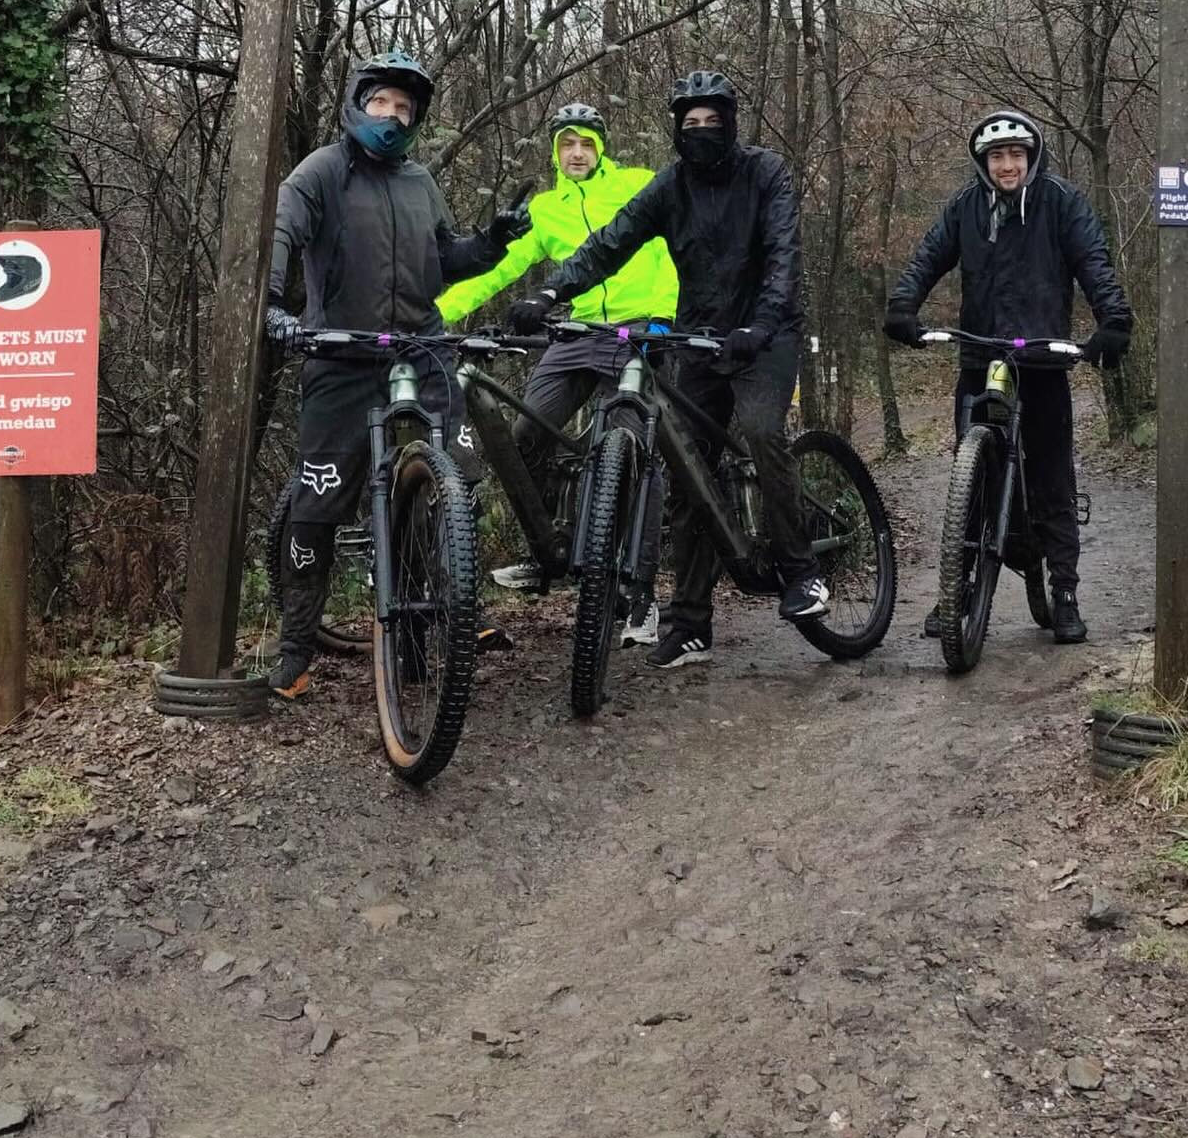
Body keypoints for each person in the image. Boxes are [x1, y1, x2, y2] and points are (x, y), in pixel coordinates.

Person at [508, 70, 827, 669]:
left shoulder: (766, 172)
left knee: (760, 433)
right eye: (690, 123)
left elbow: (784, 255)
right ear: (677, 130)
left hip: (767, 334)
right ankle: (690, 624)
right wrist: (549, 296)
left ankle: (801, 571)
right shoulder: (670, 186)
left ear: (731, 124)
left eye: (713, 121)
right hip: (698, 335)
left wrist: (759, 326)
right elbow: (609, 244)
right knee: (688, 473)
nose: (702, 132)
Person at [263, 51, 531, 699]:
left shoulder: (419, 181)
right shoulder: (321, 171)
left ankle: (453, 612)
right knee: (317, 504)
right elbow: (280, 232)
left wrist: (491, 241)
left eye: (404, 108)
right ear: (359, 103)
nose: (392, 115)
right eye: (382, 102)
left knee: (458, 482)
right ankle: (297, 648)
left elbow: (445, 262)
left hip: (422, 348)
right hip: (341, 354)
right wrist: (273, 305)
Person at [882, 110, 1133, 644]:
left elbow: (1094, 263)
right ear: (983, 163)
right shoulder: (964, 208)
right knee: (967, 480)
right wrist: (904, 305)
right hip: (980, 357)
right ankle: (961, 588)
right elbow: (928, 258)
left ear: (1031, 156)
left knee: (1052, 480)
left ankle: (1063, 590)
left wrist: (1113, 321)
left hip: (1041, 362)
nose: (1007, 164)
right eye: (997, 156)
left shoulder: (1061, 203)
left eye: (1016, 154)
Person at [439, 102, 679, 645]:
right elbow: (499, 268)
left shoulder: (638, 185)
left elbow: (667, 252)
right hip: (576, 333)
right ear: (555, 152)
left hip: (641, 328)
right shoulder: (546, 210)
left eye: (587, 144)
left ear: (602, 147)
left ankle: (639, 594)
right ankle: (553, 549)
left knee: (635, 446)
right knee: (523, 439)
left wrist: (665, 316)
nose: (577, 153)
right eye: (567, 144)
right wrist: (435, 315)